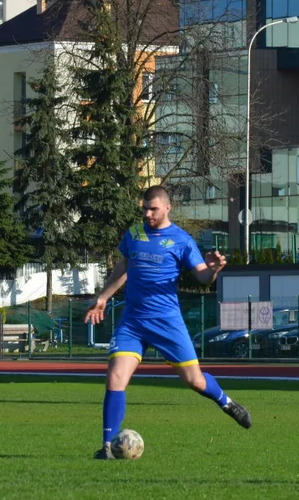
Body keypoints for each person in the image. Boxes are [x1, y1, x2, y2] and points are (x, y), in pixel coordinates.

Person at [84, 185, 251, 459]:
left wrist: (213, 270)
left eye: (153, 209)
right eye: (145, 209)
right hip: (133, 322)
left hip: (167, 323)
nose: (148, 214)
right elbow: (124, 267)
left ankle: (226, 402)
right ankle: (107, 448)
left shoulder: (182, 240)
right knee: (114, 378)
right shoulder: (134, 234)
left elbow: (202, 278)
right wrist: (103, 296)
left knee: (195, 381)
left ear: (167, 208)